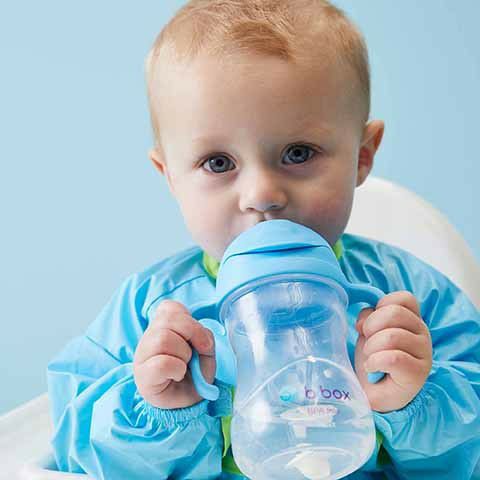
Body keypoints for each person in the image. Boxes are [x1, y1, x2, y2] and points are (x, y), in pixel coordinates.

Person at [47, 1, 480, 479]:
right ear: (170, 175)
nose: (261, 194)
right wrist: (154, 411)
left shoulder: (410, 297)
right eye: (218, 163)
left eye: (298, 153)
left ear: (362, 156)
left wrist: (417, 402)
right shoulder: (148, 312)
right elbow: (70, 452)